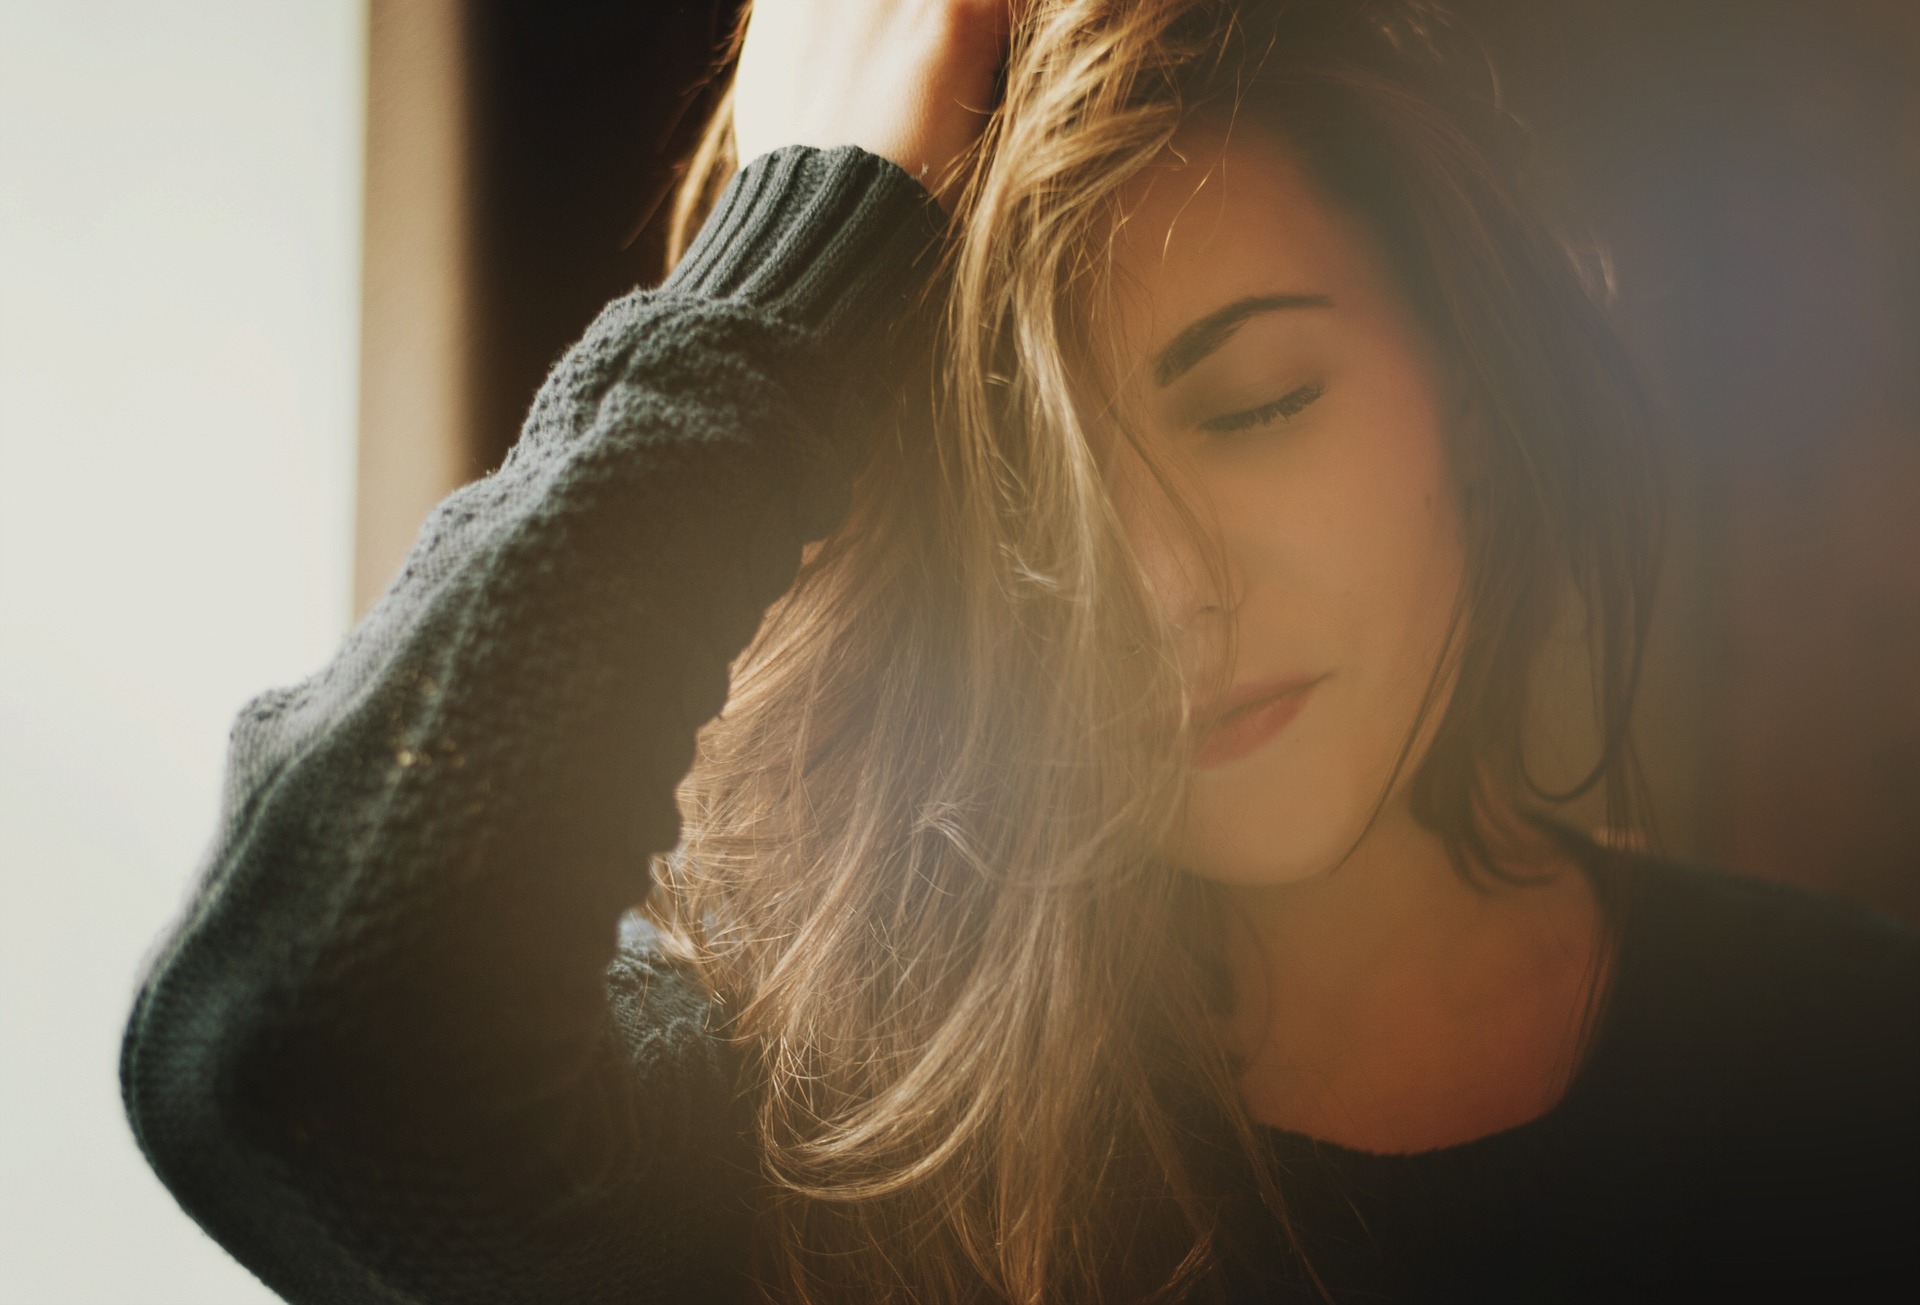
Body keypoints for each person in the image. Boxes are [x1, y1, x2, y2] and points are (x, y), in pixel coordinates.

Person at [121, 1, 1918, 1300]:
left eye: (1258, 402)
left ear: (1468, 383)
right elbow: (282, 1036)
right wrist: (776, 280)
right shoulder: (813, 1156)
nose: (1163, 591)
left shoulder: (1857, 1065)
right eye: (1020, 491)